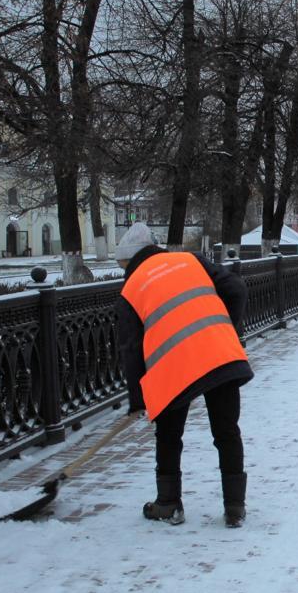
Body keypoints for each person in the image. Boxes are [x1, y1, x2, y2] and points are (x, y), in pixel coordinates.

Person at [115, 223, 254, 527]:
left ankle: (169, 504)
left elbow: (131, 348)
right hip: (219, 353)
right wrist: (225, 328)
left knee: (168, 436)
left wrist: (138, 399)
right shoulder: (192, 260)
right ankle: (234, 508)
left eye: (122, 265)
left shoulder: (132, 288)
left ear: (132, 260)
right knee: (227, 431)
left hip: (173, 366)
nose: (122, 270)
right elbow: (236, 288)